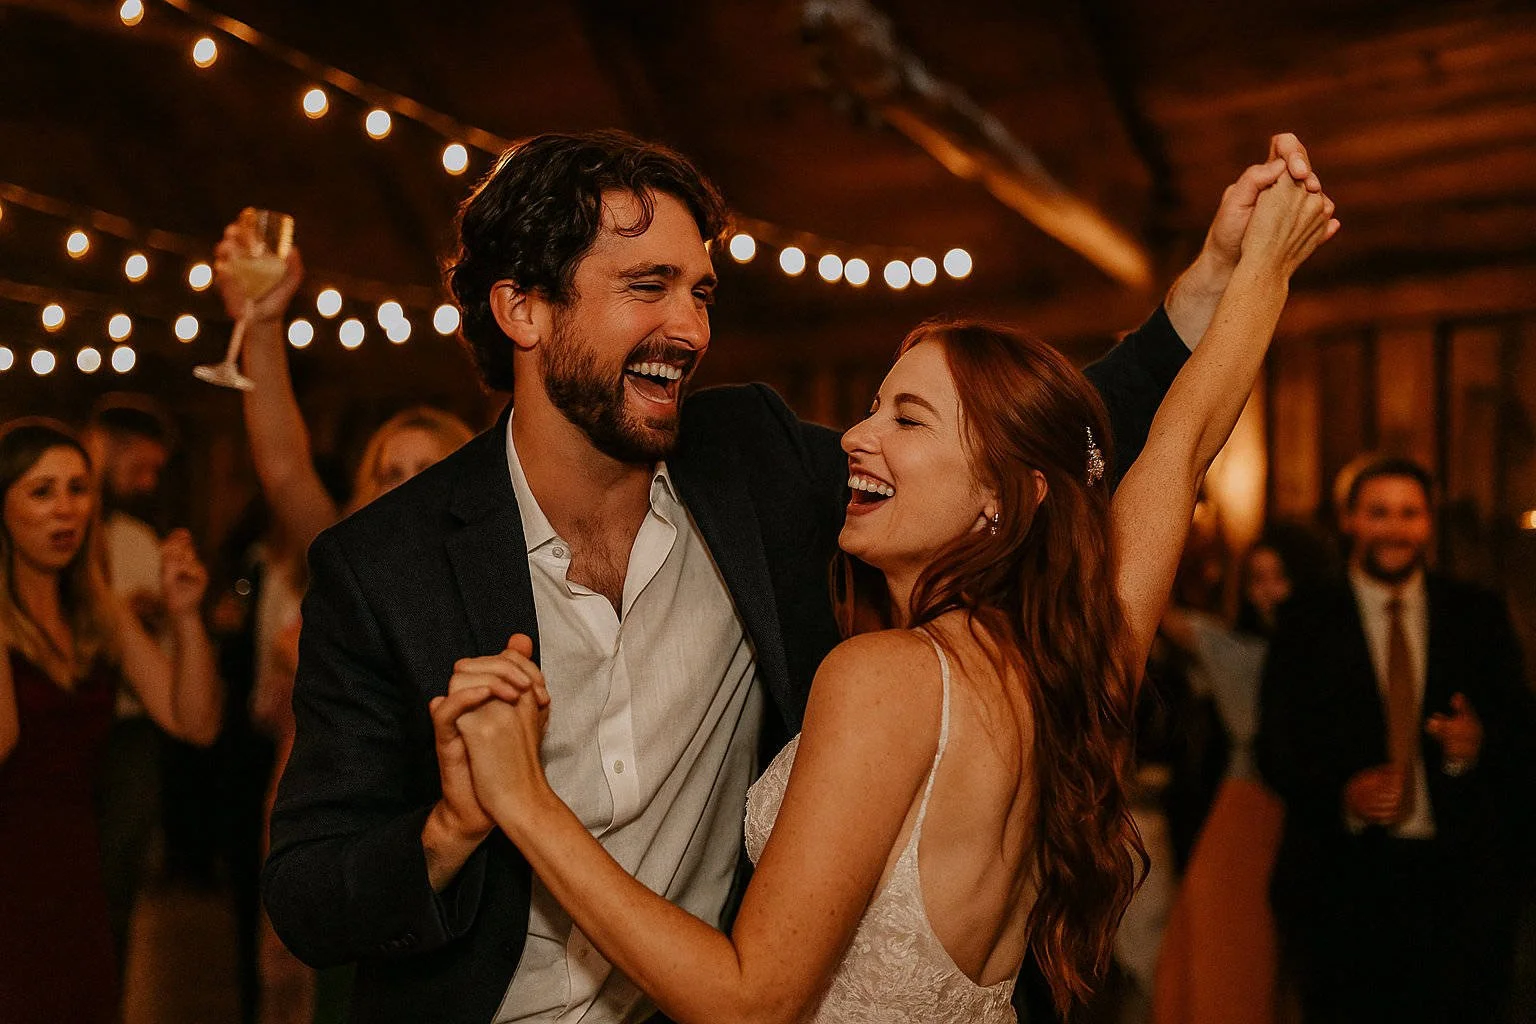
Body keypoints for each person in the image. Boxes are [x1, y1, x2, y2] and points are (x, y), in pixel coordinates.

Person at [261, 128, 1333, 1023]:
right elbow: (308, 894)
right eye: (648, 286)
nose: (689, 327)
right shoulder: (382, 564)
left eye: (701, 291)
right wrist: (451, 826)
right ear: (524, 310)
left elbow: (1010, 440)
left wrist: (1203, 290)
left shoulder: (754, 461)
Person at [212, 225, 475, 1024]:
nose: (402, 489)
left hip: (458, 840)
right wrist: (260, 326)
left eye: (425, 472)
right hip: (345, 835)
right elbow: (285, 465)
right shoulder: (345, 565)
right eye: (388, 473)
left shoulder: (494, 578)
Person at [1257, 456, 1536, 1024]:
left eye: (1409, 513)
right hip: (1344, 887)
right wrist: (1341, 791)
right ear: (1351, 521)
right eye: (1379, 513)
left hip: (1459, 887)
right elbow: (1276, 745)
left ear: (1429, 523)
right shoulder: (1307, 620)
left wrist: (1477, 744)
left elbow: (1522, 731)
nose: (1395, 528)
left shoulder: (1477, 614)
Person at [0, 418, 222, 1023]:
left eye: (78, 489)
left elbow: (193, 723)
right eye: (41, 491)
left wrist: (184, 617)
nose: (65, 510)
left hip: (76, 870)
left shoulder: (99, 610)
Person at [1152, 526, 1333, 1024]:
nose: (1267, 591)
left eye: (1280, 578)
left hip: (1314, 809)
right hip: (1247, 805)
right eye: (1256, 579)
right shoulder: (1232, 648)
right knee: (1226, 945)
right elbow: (1161, 617)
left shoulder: (1335, 653)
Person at [81, 395, 182, 961]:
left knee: (117, 879)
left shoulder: (139, 541)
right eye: (140, 466)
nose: (148, 482)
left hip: (134, 726)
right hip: (76, 728)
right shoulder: (68, 540)